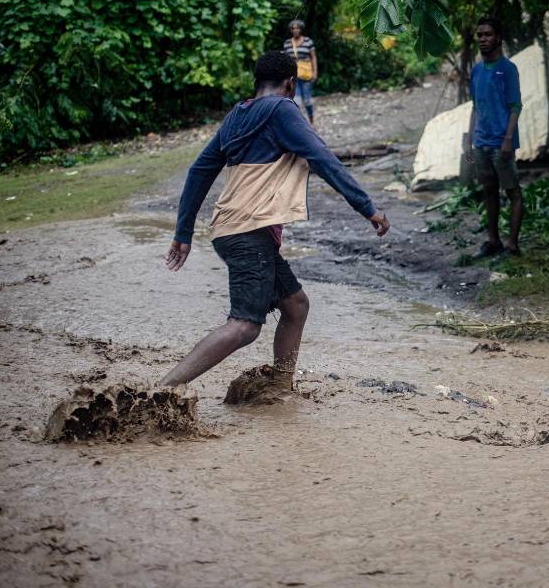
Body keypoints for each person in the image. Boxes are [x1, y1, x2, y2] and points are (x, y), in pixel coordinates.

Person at [159, 51, 389, 387]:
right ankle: (158, 392)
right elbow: (321, 157)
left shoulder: (237, 115)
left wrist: (184, 232)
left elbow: (199, 171)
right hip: (248, 231)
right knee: (245, 325)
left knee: (295, 305)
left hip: (233, 230)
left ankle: (280, 391)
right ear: (291, 84)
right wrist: (366, 206)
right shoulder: (283, 109)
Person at [465, 16, 523, 257]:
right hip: (481, 141)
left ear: (498, 38)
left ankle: (512, 244)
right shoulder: (477, 70)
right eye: (480, 35)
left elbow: (515, 106)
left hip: (501, 143)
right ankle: (493, 240)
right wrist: (469, 140)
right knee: (489, 191)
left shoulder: (508, 69)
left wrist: (508, 139)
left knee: (512, 192)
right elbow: (475, 106)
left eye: (488, 34)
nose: (483, 39)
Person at [283, 19, 318, 123]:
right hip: (294, 77)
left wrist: (315, 72)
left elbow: (313, 57)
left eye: (298, 28)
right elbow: (286, 60)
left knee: (307, 101)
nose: (295, 30)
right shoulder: (287, 43)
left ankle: (311, 121)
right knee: (296, 102)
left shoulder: (308, 41)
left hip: (307, 75)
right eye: (293, 28)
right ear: (291, 30)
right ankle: (300, 123)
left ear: (301, 29)